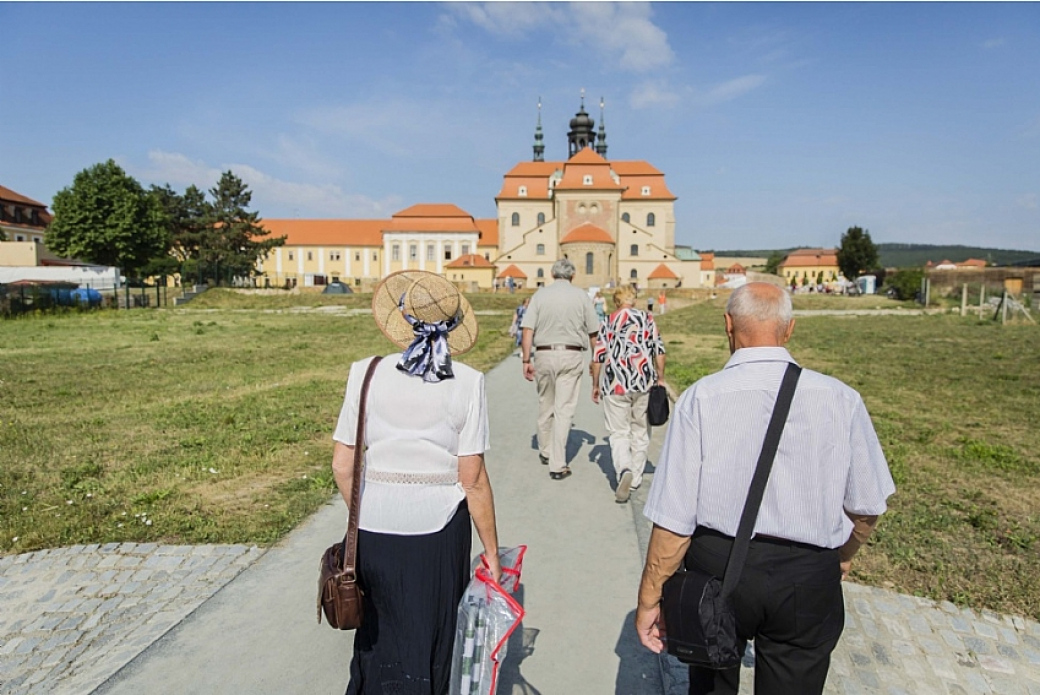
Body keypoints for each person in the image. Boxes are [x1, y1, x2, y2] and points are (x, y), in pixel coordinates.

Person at [635, 282, 895, 695]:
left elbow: (674, 520)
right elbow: (866, 506)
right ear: (788, 330)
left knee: (711, 685)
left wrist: (650, 597)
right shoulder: (841, 399)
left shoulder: (701, 398)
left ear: (728, 325)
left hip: (718, 568)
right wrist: (842, 556)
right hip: (805, 574)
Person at [332, 270, 502, 695]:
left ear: (404, 320)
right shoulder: (468, 382)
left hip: (372, 527)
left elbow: (343, 464)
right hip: (438, 532)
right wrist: (492, 551)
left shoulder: (365, 373)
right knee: (433, 639)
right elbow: (473, 480)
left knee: (376, 639)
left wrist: (362, 510)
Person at [520, 258, 600, 480]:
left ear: (552, 274)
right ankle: (557, 463)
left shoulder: (540, 296)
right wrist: (596, 361)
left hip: (544, 353)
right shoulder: (582, 296)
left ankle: (545, 450)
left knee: (546, 403)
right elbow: (594, 333)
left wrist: (526, 359)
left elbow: (527, 330)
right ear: (572, 276)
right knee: (564, 409)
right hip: (571, 353)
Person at [591, 286, 666, 503]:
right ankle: (635, 476)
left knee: (619, 432)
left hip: (615, 384)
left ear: (616, 302)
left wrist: (595, 384)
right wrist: (660, 378)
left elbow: (598, 357)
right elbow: (659, 351)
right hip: (643, 382)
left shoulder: (607, 321)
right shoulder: (647, 319)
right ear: (633, 300)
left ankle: (623, 468)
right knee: (641, 431)